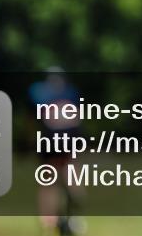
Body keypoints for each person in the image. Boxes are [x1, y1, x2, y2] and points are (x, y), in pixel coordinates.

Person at [28, 67, 84, 235]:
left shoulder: (38, 92)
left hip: (51, 137)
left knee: (47, 179)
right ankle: (74, 210)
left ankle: (48, 221)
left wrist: (30, 140)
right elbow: (78, 119)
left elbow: (33, 119)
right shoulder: (71, 92)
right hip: (71, 136)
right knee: (70, 171)